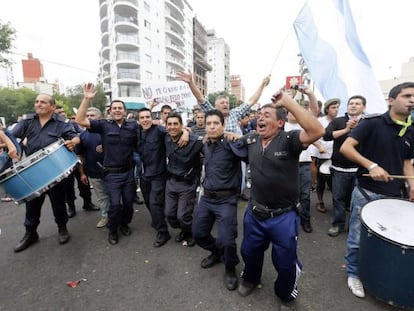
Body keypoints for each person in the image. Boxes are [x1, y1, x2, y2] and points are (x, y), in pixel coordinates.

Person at [236, 91, 324, 311]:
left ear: (280, 122)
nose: (260, 118)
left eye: (267, 115)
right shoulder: (252, 139)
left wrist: (288, 102)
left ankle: (285, 294)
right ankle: (250, 279)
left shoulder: (290, 139)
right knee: (249, 251)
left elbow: (317, 131)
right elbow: (229, 143)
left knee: (285, 261)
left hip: (283, 216)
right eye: (259, 114)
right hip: (255, 214)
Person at [340, 82, 414, 299]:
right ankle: (353, 273)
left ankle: (378, 274)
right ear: (391, 100)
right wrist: (371, 165)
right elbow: (346, 147)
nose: (412, 100)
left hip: (395, 193)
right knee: (356, 237)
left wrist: (412, 187)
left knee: (388, 239)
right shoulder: (372, 123)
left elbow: (407, 163)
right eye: (407, 95)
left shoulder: (411, 130)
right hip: (368, 192)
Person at [11, 93, 80, 252]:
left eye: (43, 102)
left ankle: (62, 229)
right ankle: (30, 233)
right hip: (34, 172)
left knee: (58, 203)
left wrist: (72, 142)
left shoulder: (61, 123)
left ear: (53, 107)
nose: (38, 104)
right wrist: (11, 146)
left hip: (55, 170)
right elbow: (11, 137)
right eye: (36, 102)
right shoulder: (27, 122)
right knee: (32, 204)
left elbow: (75, 137)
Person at [192, 109, 248, 291]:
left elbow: (249, 149)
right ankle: (216, 253)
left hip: (227, 200)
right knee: (198, 233)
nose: (212, 126)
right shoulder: (206, 143)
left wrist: (236, 138)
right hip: (207, 198)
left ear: (223, 125)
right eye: (209, 123)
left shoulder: (231, 142)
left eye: (216, 123)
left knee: (227, 240)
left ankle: (230, 267)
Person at [76, 83, 138, 245]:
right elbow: (80, 119)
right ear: (109, 112)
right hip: (112, 174)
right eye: (114, 108)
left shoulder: (133, 126)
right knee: (115, 205)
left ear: (125, 111)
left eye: (120, 108)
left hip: (129, 172)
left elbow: (151, 128)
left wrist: (187, 132)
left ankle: (124, 224)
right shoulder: (103, 125)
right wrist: (86, 99)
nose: (117, 110)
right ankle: (113, 230)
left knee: (129, 204)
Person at [137, 108, 189, 248]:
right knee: (148, 202)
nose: (145, 119)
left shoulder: (159, 130)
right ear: (138, 120)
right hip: (143, 175)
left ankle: (163, 232)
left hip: (158, 175)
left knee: (155, 203)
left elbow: (175, 130)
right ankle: (157, 219)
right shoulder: (136, 130)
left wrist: (185, 132)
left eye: (148, 116)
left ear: (152, 117)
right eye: (142, 117)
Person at [323, 95, 366, 237]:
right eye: (351, 103)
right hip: (339, 168)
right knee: (338, 198)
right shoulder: (338, 121)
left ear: (364, 107)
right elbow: (326, 136)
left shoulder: (368, 123)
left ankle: (356, 228)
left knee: (357, 201)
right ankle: (338, 224)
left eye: (357, 103)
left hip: (360, 170)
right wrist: (346, 130)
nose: (353, 105)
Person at [165, 112, 203, 247]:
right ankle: (184, 229)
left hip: (187, 184)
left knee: (183, 216)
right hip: (171, 182)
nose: (172, 127)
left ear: (181, 125)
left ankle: (190, 233)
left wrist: (187, 133)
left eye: (176, 124)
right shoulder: (166, 137)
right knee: (169, 214)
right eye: (169, 124)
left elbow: (209, 139)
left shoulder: (194, 141)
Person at [55, 106, 98, 218]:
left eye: (63, 111)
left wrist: (73, 141)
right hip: (64, 161)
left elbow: (80, 136)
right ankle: (71, 207)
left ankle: (87, 203)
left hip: (79, 158)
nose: (62, 113)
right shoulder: (53, 127)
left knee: (84, 182)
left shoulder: (72, 124)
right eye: (59, 112)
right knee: (67, 186)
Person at [76, 107, 111, 228]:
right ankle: (105, 216)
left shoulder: (107, 132)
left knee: (115, 195)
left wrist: (106, 146)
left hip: (112, 171)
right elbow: (80, 156)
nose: (89, 118)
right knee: (102, 197)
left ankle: (117, 216)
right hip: (93, 172)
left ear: (99, 118)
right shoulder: (82, 135)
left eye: (92, 115)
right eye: (87, 116)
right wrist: (82, 173)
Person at [310, 98, 339, 213]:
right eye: (333, 107)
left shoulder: (340, 121)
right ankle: (320, 201)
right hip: (323, 156)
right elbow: (313, 134)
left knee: (335, 183)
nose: (336, 110)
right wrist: (318, 148)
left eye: (337, 107)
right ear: (327, 109)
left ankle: (338, 203)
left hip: (337, 155)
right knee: (321, 181)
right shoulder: (320, 121)